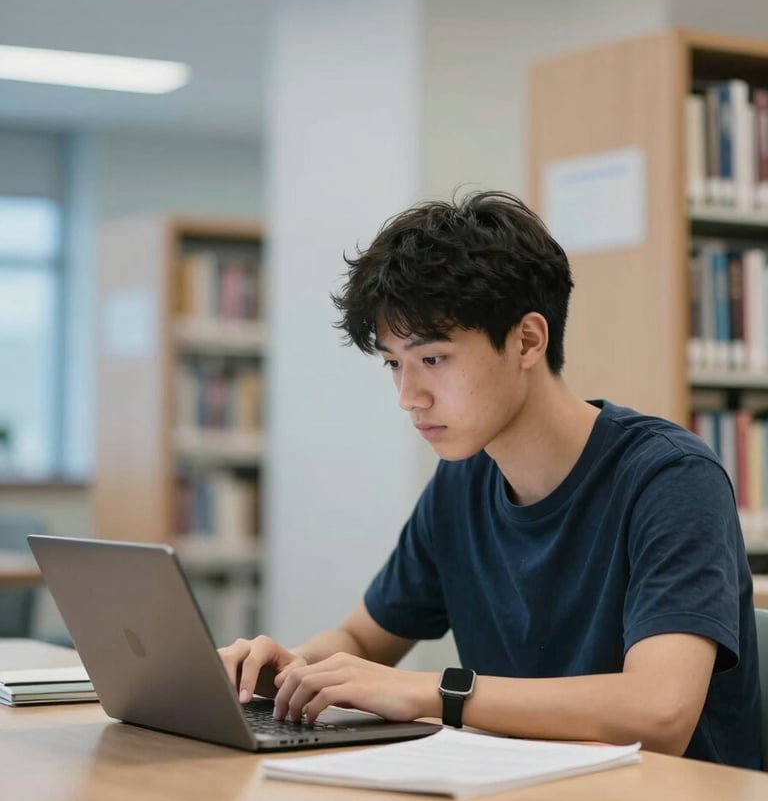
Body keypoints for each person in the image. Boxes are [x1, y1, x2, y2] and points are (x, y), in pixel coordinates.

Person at [218, 190, 761, 769]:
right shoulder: (463, 481)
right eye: (394, 364)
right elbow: (361, 640)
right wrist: (289, 670)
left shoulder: (671, 478)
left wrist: (437, 692)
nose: (408, 397)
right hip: (525, 797)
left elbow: (659, 714)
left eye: (433, 360)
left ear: (528, 340)